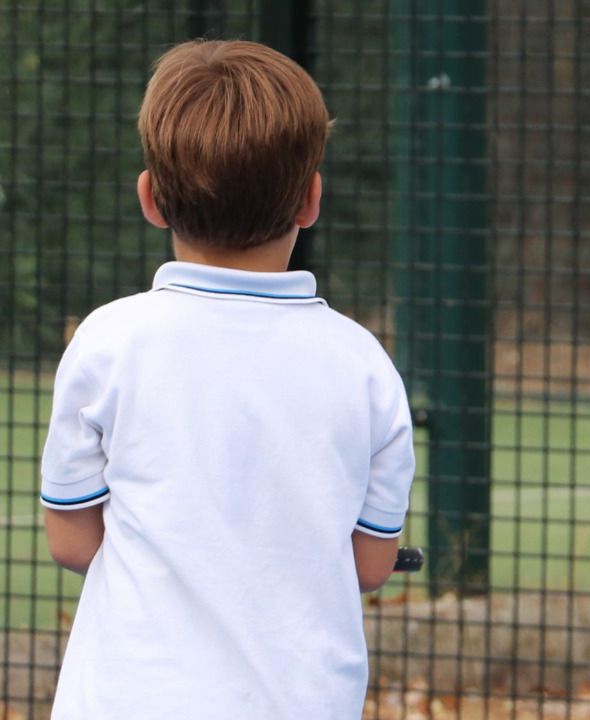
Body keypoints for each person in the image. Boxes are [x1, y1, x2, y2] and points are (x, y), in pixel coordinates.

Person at [39, 40, 416, 718]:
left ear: (150, 199)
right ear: (311, 199)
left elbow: (71, 542)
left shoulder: (107, 342)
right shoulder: (365, 366)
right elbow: (369, 567)